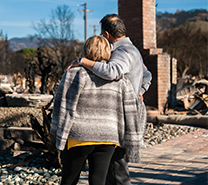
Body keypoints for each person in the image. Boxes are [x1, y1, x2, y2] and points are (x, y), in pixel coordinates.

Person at [67, 14, 152, 185]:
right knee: (114, 169)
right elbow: (147, 75)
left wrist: (82, 61)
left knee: (117, 170)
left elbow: (112, 71)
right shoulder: (132, 50)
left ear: (106, 34)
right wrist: (140, 91)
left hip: (121, 116)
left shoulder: (123, 52)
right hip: (123, 114)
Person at [50, 35, 143, 185]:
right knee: (98, 181)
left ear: (86, 50)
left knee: (69, 179)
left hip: (78, 135)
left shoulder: (74, 73)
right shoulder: (120, 80)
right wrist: (132, 139)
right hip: (108, 136)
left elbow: (61, 105)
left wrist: (56, 132)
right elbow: (130, 110)